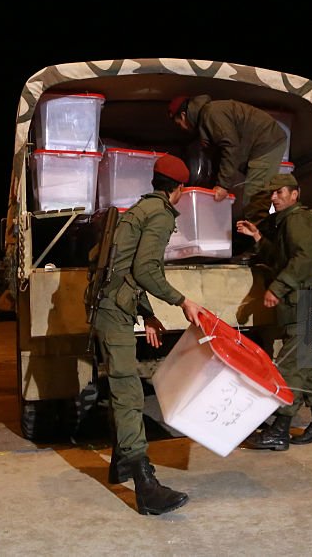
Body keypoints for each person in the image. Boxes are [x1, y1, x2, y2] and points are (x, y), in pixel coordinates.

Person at [92, 153, 203, 515]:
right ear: (180, 190)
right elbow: (145, 270)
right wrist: (182, 301)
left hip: (110, 308)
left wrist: (149, 315)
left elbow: (123, 267)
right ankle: (145, 485)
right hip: (114, 311)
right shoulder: (158, 214)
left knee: (120, 386)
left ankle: (119, 464)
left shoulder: (137, 209)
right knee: (128, 392)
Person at [236, 173, 312, 451]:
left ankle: (280, 429)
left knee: (290, 367)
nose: (275, 198)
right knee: (308, 367)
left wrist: (278, 287)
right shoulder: (285, 222)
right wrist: (257, 236)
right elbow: (281, 258)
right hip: (302, 303)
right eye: (272, 194)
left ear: (295, 194)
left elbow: (305, 258)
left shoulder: (297, 219)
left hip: (303, 302)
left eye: (280, 192)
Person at [169, 94, 287, 224]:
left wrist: (222, 185)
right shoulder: (205, 121)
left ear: (184, 115)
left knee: (254, 199)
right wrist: (213, 186)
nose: (181, 127)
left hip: (266, 142)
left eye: (179, 123)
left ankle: (260, 240)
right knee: (252, 198)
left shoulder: (211, 113)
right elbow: (219, 156)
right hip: (260, 144)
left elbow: (230, 146)